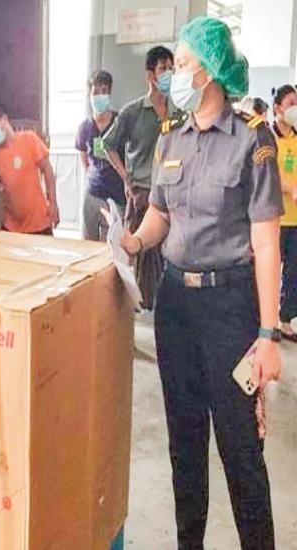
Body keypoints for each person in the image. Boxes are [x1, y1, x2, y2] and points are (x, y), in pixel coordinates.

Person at [120, 17, 281, 549]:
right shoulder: (172, 137)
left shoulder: (252, 138)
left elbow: (266, 244)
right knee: (184, 444)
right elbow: (160, 215)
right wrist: (133, 242)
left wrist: (268, 334)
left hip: (229, 309)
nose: (175, 74)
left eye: (184, 64)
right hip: (175, 307)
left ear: (209, 71)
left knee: (240, 448)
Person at [104, 45, 176, 309]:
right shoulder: (133, 112)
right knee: (137, 253)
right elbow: (108, 144)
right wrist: (126, 177)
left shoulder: (179, 112)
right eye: (163, 68)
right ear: (150, 75)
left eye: (172, 68)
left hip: (172, 193)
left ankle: (162, 305)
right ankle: (135, 307)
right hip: (143, 193)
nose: (169, 73)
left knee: (167, 255)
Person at [0, 105, 58, 234]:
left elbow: (47, 169)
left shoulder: (29, 139)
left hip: (38, 222)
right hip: (11, 225)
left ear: (4, 119)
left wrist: (52, 202)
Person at [76, 70, 126, 241]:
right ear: (89, 95)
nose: (99, 96)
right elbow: (84, 161)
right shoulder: (84, 128)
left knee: (114, 244)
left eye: (104, 91)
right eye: (95, 92)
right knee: (88, 244)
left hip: (117, 195)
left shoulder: (120, 122)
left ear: (109, 94)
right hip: (93, 193)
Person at [272, 84, 297, 341]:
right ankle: (267, 321)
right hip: (275, 218)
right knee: (270, 269)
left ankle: (286, 320)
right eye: (291, 104)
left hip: (296, 218)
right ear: (278, 108)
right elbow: (267, 174)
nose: (295, 109)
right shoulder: (268, 137)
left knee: (293, 273)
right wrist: (290, 187)